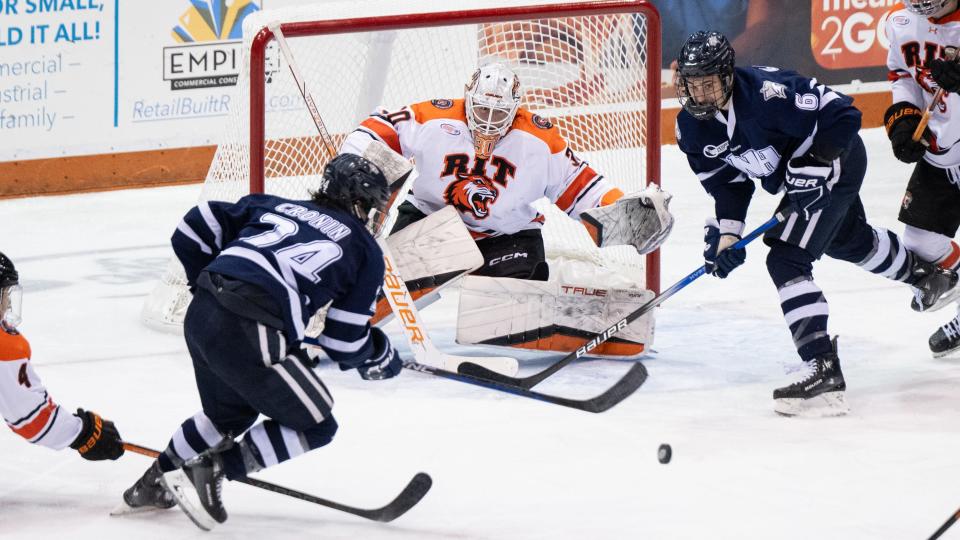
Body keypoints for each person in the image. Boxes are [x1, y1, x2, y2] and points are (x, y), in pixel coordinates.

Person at [674, 31, 957, 416]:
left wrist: (816, 161)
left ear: (727, 76)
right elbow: (729, 187)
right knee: (845, 240)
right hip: (799, 181)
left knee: (786, 258)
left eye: (709, 84)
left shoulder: (767, 94)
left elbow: (844, 114)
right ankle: (924, 275)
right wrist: (727, 238)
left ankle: (823, 369)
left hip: (837, 162)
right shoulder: (691, 129)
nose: (701, 95)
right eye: (693, 85)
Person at [120, 154, 403, 529]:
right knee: (317, 423)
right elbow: (343, 343)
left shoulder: (273, 205)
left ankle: (153, 484)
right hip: (251, 325)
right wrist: (379, 354)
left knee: (227, 415)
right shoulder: (366, 250)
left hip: (202, 313)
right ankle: (214, 469)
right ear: (361, 204)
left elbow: (192, 228)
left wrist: (204, 282)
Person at [339, 62, 631, 281]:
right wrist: (355, 160)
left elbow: (578, 185)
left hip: (506, 235)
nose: (489, 122)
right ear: (467, 98)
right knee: (385, 287)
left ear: (516, 109)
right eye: (481, 110)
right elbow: (381, 127)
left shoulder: (539, 140)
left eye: (499, 113)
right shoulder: (434, 118)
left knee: (520, 301)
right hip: (431, 220)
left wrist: (619, 209)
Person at [883, 0, 960, 358]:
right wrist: (903, 118)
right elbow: (901, 75)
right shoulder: (901, 20)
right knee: (922, 243)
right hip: (941, 150)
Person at [0, 252, 124, 461]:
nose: (8, 306)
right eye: (4, 296)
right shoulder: (6, 347)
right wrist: (84, 433)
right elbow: (32, 420)